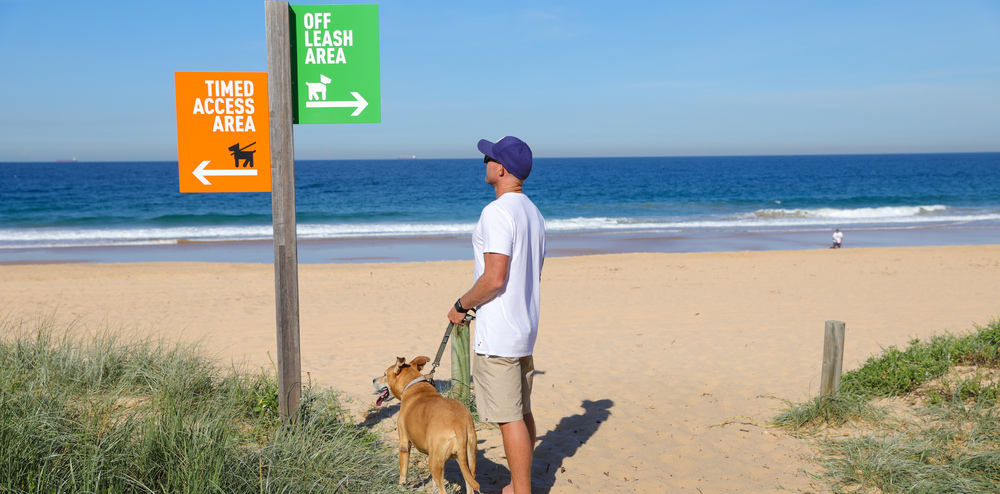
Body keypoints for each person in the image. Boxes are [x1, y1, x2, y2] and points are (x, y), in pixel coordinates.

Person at [447, 136, 545, 494]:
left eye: (487, 158)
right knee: (522, 411)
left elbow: (494, 278)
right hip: (524, 325)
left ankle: (521, 490)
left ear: (500, 169)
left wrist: (461, 305)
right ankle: (521, 485)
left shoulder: (497, 212)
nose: (484, 163)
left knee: (509, 417)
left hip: (501, 332)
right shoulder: (533, 212)